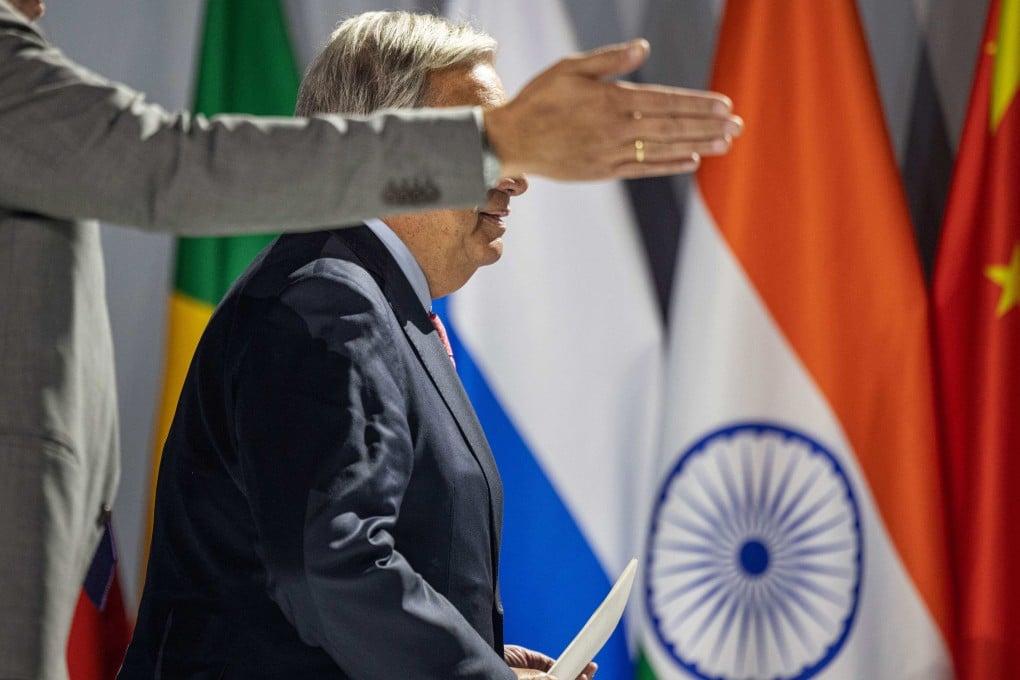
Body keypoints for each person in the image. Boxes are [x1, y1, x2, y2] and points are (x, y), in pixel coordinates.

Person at [0, 1, 742, 677]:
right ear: (388, 143)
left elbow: (332, 581)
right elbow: (330, 569)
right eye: (480, 143)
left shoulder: (373, 305)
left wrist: (488, 660)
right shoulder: (325, 302)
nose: (514, 180)